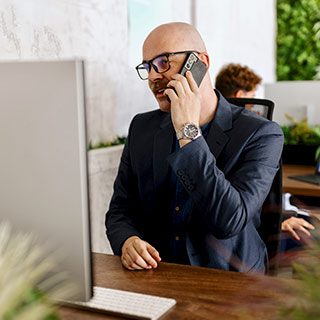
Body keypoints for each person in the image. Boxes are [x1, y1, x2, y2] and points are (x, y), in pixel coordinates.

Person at [105, 22, 284, 273]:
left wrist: (188, 132)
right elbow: (120, 210)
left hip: (231, 284)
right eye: (147, 67)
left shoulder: (262, 134)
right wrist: (127, 241)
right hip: (158, 276)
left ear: (200, 63)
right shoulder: (141, 128)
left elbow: (229, 222)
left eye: (163, 62)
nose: (154, 76)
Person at [215, 63, 315, 242]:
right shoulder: (253, 136)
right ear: (240, 96)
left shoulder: (207, 131)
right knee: (311, 228)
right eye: (252, 96)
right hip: (251, 231)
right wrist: (279, 222)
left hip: (245, 224)